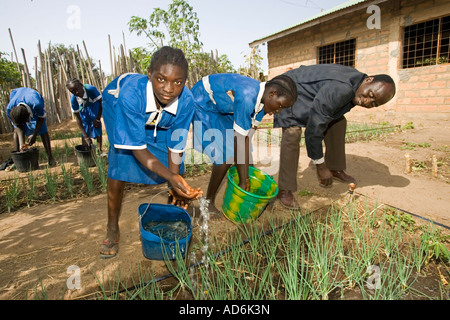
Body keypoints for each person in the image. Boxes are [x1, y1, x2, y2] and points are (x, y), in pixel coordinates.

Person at [100, 46, 203, 259]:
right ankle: (112, 226)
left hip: (156, 117)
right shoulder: (131, 95)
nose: (168, 88)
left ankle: (170, 213)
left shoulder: (186, 101)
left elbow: (175, 145)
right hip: (116, 102)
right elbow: (137, 147)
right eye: (161, 79)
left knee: (173, 166)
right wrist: (170, 176)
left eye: (178, 82)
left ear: (185, 81)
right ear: (149, 74)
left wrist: (174, 181)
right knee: (121, 158)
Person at [273, 64, 396, 209]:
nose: (367, 102)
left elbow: (327, 112)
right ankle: (284, 190)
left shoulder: (358, 84)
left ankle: (335, 168)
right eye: (370, 95)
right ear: (369, 80)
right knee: (292, 131)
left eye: (374, 103)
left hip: (306, 90)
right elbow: (314, 129)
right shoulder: (342, 88)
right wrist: (320, 166)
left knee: (338, 122)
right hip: (287, 87)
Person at [191, 73, 298, 217]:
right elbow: (239, 141)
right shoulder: (248, 97)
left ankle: (248, 190)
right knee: (226, 155)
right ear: (272, 94)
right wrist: (243, 180)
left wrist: (248, 175)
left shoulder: (262, 104)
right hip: (203, 101)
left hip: (221, 106)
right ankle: (208, 202)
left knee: (240, 150)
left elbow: (247, 139)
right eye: (279, 106)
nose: (277, 112)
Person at [6, 87, 56, 166]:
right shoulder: (10, 110)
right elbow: (18, 127)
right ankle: (17, 158)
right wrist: (22, 145)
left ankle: (50, 157)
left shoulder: (37, 104)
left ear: (28, 117)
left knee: (43, 130)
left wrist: (35, 134)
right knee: (16, 130)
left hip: (31, 96)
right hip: (16, 94)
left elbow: (41, 119)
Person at [66, 79, 105, 155]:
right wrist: (85, 136)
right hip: (83, 110)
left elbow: (101, 102)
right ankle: (87, 151)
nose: (76, 92)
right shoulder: (73, 100)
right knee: (85, 125)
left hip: (94, 106)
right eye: (73, 91)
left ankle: (99, 151)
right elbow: (78, 119)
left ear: (81, 85)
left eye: (77, 89)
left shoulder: (91, 89)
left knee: (96, 126)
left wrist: (97, 118)